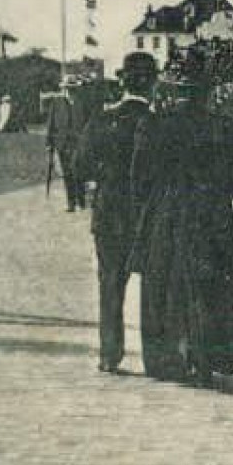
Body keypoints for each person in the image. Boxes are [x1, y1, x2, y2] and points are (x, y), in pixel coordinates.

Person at [132, 61, 233, 385]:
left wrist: (150, 205)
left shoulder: (153, 124)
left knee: (167, 282)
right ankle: (211, 355)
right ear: (207, 93)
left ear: (177, 92)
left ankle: (171, 356)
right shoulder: (224, 127)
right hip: (212, 213)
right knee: (213, 284)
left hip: (169, 211)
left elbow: (140, 177)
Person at [76, 52, 159, 374]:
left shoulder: (102, 120)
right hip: (149, 215)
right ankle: (156, 356)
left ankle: (109, 354)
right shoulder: (156, 123)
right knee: (153, 285)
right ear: (152, 84)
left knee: (110, 284)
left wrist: (105, 176)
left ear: (122, 82)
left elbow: (79, 167)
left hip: (110, 214)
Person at [45, 79, 90, 211]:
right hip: (62, 143)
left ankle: (81, 200)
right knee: (67, 173)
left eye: (73, 88)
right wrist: (49, 143)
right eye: (68, 88)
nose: (70, 91)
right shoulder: (57, 103)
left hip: (78, 143)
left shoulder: (83, 104)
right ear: (64, 89)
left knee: (78, 171)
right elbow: (50, 124)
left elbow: (88, 124)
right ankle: (71, 202)